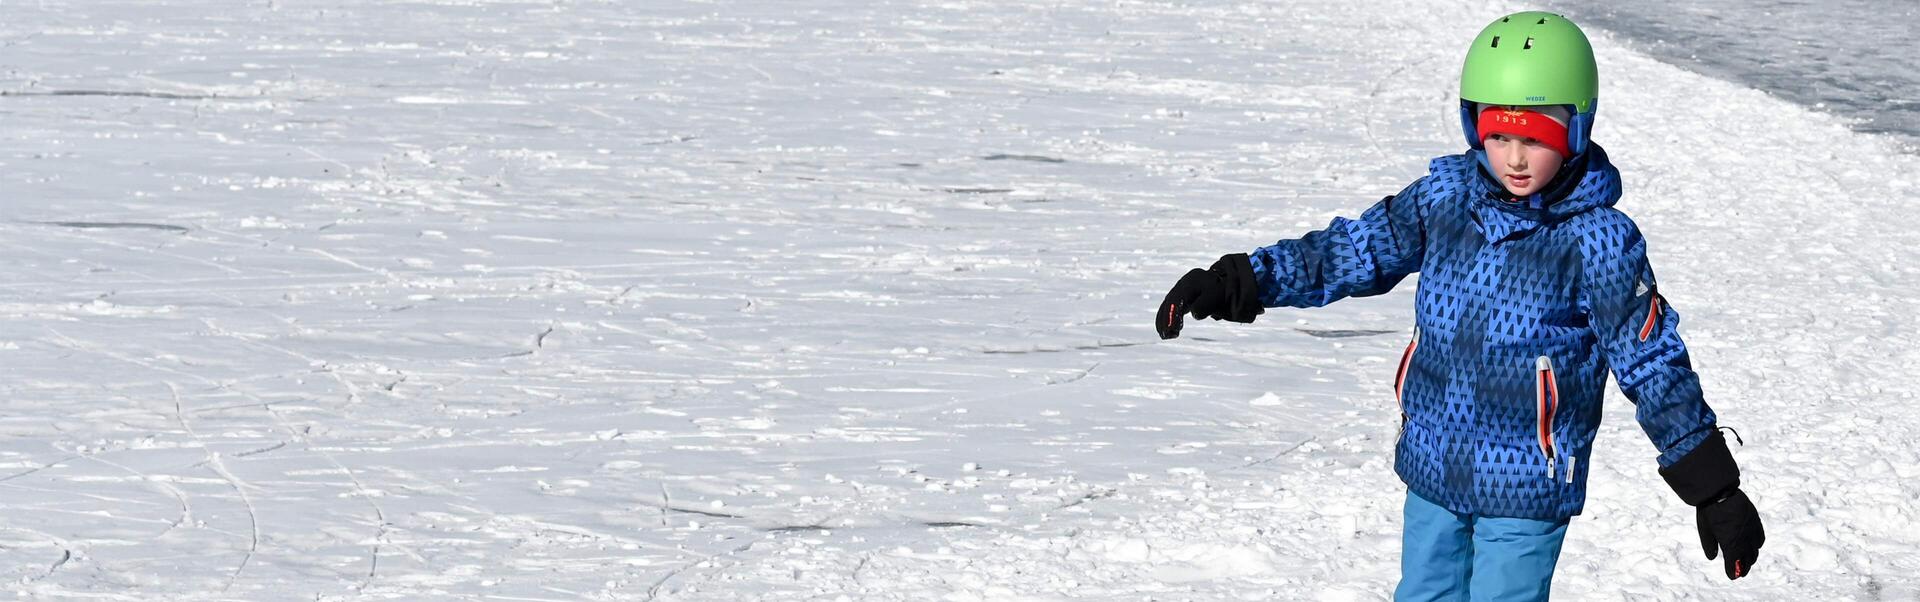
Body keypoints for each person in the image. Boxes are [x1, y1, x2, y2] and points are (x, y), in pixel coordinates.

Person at [1153, 11, 1764, 600]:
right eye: (1498, 134)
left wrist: (1711, 487)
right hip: (1432, 463)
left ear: (1576, 132)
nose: (1516, 158)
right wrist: (1242, 280)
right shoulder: (1444, 200)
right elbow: (1352, 249)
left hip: (1528, 479)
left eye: (1537, 137)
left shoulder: (1596, 239)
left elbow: (1650, 360)